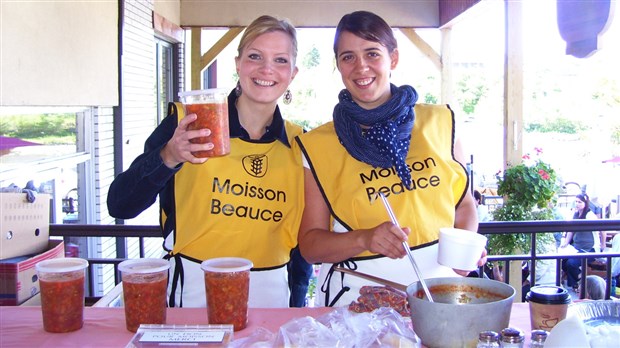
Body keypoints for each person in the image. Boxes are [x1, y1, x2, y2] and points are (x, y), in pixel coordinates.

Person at [107, 15, 312, 308]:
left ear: (293, 73)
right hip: (194, 294)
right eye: (255, 56)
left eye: (280, 60)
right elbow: (120, 204)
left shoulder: (300, 144)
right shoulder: (187, 123)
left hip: (272, 299)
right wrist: (169, 155)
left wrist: (297, 307)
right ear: (238, 64)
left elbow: (303, 246)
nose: (267, 69)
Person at [295, 10, 483, 307]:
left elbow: (465, 204)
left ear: (393, 59)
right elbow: (310, 246)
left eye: (372, 53)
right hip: (357, 302)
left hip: (441, 295)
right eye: (348, 57)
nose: (361, 67)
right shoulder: (319, 145)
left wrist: (465, 249)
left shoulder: (441, 122)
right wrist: (364, 238)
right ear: (339, 66)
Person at [560, 193, 601, 292]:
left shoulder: (590, 216)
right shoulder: (576, 214)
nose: (577, 204)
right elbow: (571, 230)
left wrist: (602, 246)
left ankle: (576, 284)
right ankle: (579, 277)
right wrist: (565, 243)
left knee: (571, 263)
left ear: (585, 203)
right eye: (576, 201)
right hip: (577, 248)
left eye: (580, 202)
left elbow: (601, 230)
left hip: (589, 249)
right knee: (562, 261)